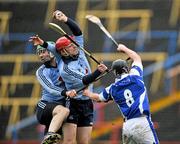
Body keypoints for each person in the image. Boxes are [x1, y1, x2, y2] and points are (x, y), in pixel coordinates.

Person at [29, 11, 107, 144]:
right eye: (71, 46)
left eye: (74, 44)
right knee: (69, 141)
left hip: (87, 103)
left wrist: (65, 19)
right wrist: (98, 72)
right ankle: (50, 134)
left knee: (84, 142)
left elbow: (78, 33)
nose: (75, 46)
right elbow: (84, 80)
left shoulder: (80, 51)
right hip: (72, 104)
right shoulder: (65, 69)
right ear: (64, 51)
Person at [83, 44, 159, 144]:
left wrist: (87, 92)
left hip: (127, 126)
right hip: (142, 122)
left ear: (115, 73)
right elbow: (136, 57)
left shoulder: (112, 89)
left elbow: (97, 98)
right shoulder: (135, 76)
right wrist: (123, 49)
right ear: (126, 69)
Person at [35, 43, 76, 144]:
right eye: (39, 53)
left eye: (43, 52)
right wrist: (65, 92)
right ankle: (50, 135)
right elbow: (50, 87)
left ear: (52, 52)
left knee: (62, 141)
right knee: (64, 111)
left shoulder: (65, 66)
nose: (41, 55)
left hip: (59, 111)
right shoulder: (41, 71)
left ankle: (50, 137)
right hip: (45, 106)